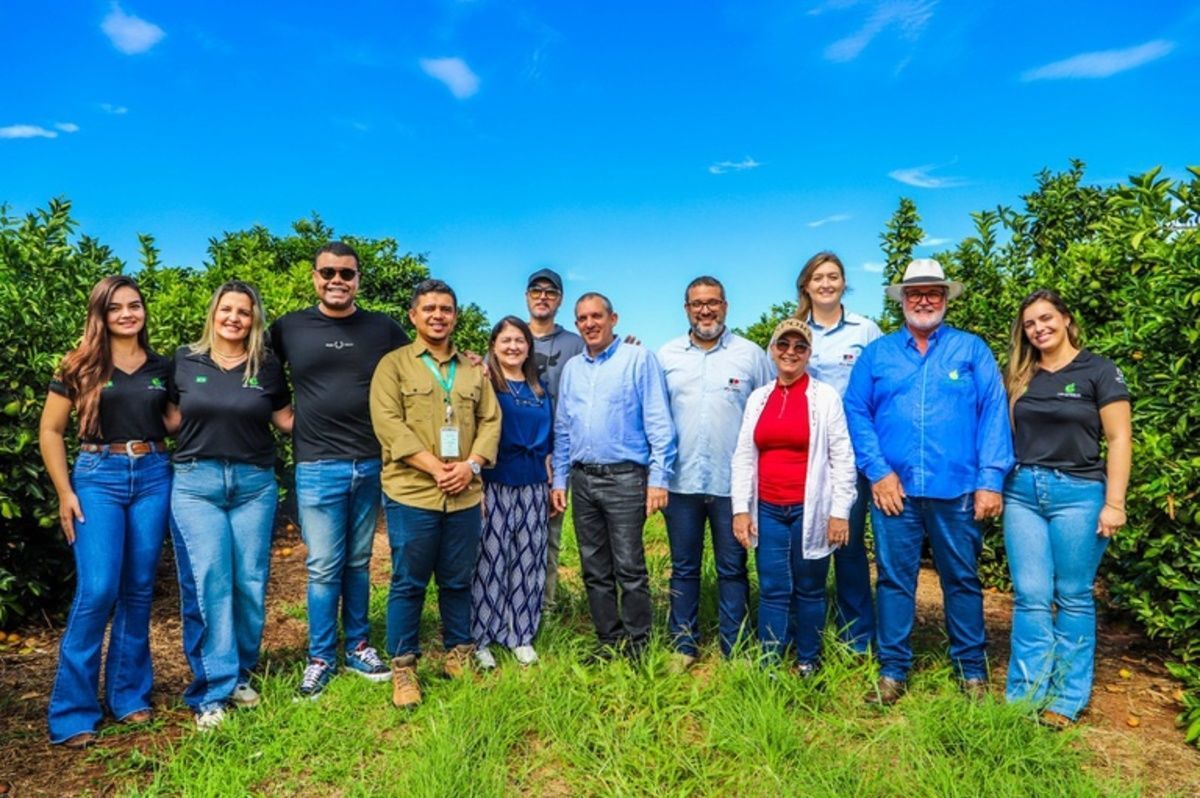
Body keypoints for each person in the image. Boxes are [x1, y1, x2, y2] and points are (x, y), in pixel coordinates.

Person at [844, 258, 1013, 705]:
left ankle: (971, 671)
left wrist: (990, 479)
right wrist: (878, 471)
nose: (924, 300)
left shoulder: (971, 350)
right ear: (902, 299)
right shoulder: (877, 354)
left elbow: (994, 412)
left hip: (956, 489)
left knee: (962, 578)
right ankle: (893, 670)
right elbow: (856, 411)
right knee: (894, 581)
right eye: (915, 293)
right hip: (894, 492)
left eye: (933, 292)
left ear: (945, 298)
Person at [269, 241, 409, 699]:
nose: (336, 280)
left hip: (369, 462)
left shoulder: (382, 328)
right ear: (314, 276)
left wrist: (472, 362)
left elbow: (419, 366)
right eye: (327, 272)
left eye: (346, 273)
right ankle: (321, 657)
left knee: (358, 561)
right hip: (317, 465)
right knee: (323, 566)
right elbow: (259, 374)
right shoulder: (289, 327)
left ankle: (359, 647)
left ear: (357, 280)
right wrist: (285, 418)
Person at [39, 276, 172, 749]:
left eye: (134, 305)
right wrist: (65, 492)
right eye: (115, 307)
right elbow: (51, 431)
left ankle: (128, 695)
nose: (127, 314)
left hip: (154, 473)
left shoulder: (162, 366)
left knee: (138, 588)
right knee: (97, 590)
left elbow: (177, 420)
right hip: (98, 476)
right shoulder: (79, 364)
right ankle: (73, 711)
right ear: (101, 314)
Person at [166, 280, 293, 731]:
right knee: (211, 580)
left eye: (243, 311)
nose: (234, 318)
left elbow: (286, 419)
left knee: (250, 582)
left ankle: (239, 672)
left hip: (254, 484)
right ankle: (212, 691)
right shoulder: (185, 360)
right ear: (213, 313)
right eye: (227, 309)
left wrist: (345, 400)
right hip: (196, 483)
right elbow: (167, 416)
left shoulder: (267, 366)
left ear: (254, 319)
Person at [1002, 289, 1131, 726]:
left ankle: (1066, 699)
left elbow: (1119, 439)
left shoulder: (1099, 371)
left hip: (1078, 493)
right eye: (1030, 324)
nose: (1039, 328)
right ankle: (1025, 696)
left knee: (1073, 596)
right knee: (1030, 596)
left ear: (1066, 319)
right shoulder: (1020, 376)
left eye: (1046, 318)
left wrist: (1115, 503)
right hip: (1023, 492)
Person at [369, 279, 500, 708]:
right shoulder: (393, 366)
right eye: (429, 309)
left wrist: (470, 465)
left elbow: (490, 420)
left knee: (458, 579)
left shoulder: (473, 370)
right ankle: (404, 668)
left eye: (445, 309)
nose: (438, 315)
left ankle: (458, 653)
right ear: (413, 315)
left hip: (464, 493)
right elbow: (388, 423)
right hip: (412, 493)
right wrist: (434, 467)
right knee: (408, 582)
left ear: (455, 316)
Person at [550, 293, 676, 659]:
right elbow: (564, 429)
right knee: (594, 567)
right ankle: (609, 640)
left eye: (596, 316)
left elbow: (659, 422)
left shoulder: (638, 359)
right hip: (583, 479)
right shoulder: (573, 369)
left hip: (625, 479)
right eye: (582, 319)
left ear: (613, 318)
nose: (589, 324)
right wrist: (560, 480)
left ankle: (638, 644)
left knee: (629, 566)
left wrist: (659, 479)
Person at [657, 276, 773, 668]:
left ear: (725, 306)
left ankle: (734, 647)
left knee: (733, 568)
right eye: (697, 304)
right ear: (686, 309)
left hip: (733, 486)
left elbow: (767, 413)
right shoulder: (666, 356)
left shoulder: (751, 355)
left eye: (712, 302)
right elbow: (655, 417)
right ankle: (683, 645)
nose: (705, 310)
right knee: (683, 567)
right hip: (681, 481)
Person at [730, 318, 857, 673]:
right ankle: (770, 661)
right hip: (768, 509)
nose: (791, 352)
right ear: (772, 350)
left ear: (808, 353)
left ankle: (807, 660)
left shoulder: (825, 397)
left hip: (810, 509)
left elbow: (842, 457)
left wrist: (839, 512)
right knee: (772, 587)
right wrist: (741, 509)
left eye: (799, 347)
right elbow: (743, 456)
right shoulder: (758, 398)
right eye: (783, 345)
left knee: (810, 587)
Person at [795, 251, 883, 654]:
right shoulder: (795, 331)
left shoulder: (866, 330)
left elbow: (881, 387)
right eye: (818, 278)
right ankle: (806, 629)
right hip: (805, 455)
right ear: (806, 286)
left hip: (852, 454)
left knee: (848, 546)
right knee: (806, 542)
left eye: (833, 276)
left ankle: (856, 637)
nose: (826, 284)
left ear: (844, 283)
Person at [471, 316, 554, 668]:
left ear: (528, 347)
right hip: (495, 481)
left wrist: (551, 480)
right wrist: (476, 486)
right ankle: (482, 637)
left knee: (528, 560)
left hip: (533, 485)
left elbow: (550, 441)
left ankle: (520, 634)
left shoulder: (539, 389)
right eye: (505, 340)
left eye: (520, 340)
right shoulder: (485, 382)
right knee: (490, 561)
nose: (513, 346)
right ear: (493, 346)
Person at [525, 268, 584, 606]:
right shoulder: (511, 336)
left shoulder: (575, 344)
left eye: (550, 291)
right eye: (536, 290)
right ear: (527, 296)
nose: (543, 296)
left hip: (558, 455)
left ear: (560, 300)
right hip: (515, 453)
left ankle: (543, 608)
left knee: (549, 534)